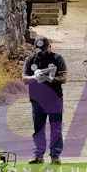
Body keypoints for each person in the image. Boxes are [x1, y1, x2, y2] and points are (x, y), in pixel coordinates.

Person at [22, 36, 67, 165]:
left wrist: (50, 79)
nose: (41, 53)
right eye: (39, 50)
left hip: (54, 99)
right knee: (38, 128)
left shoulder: (57, 59)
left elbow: (63, 77)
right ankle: (38, 155)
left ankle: (55, 156)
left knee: (56, 128)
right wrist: (34, 77)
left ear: (49, 47)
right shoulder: (31, 59)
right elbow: (24, 79)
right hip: (37, 100)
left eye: (44, 49)